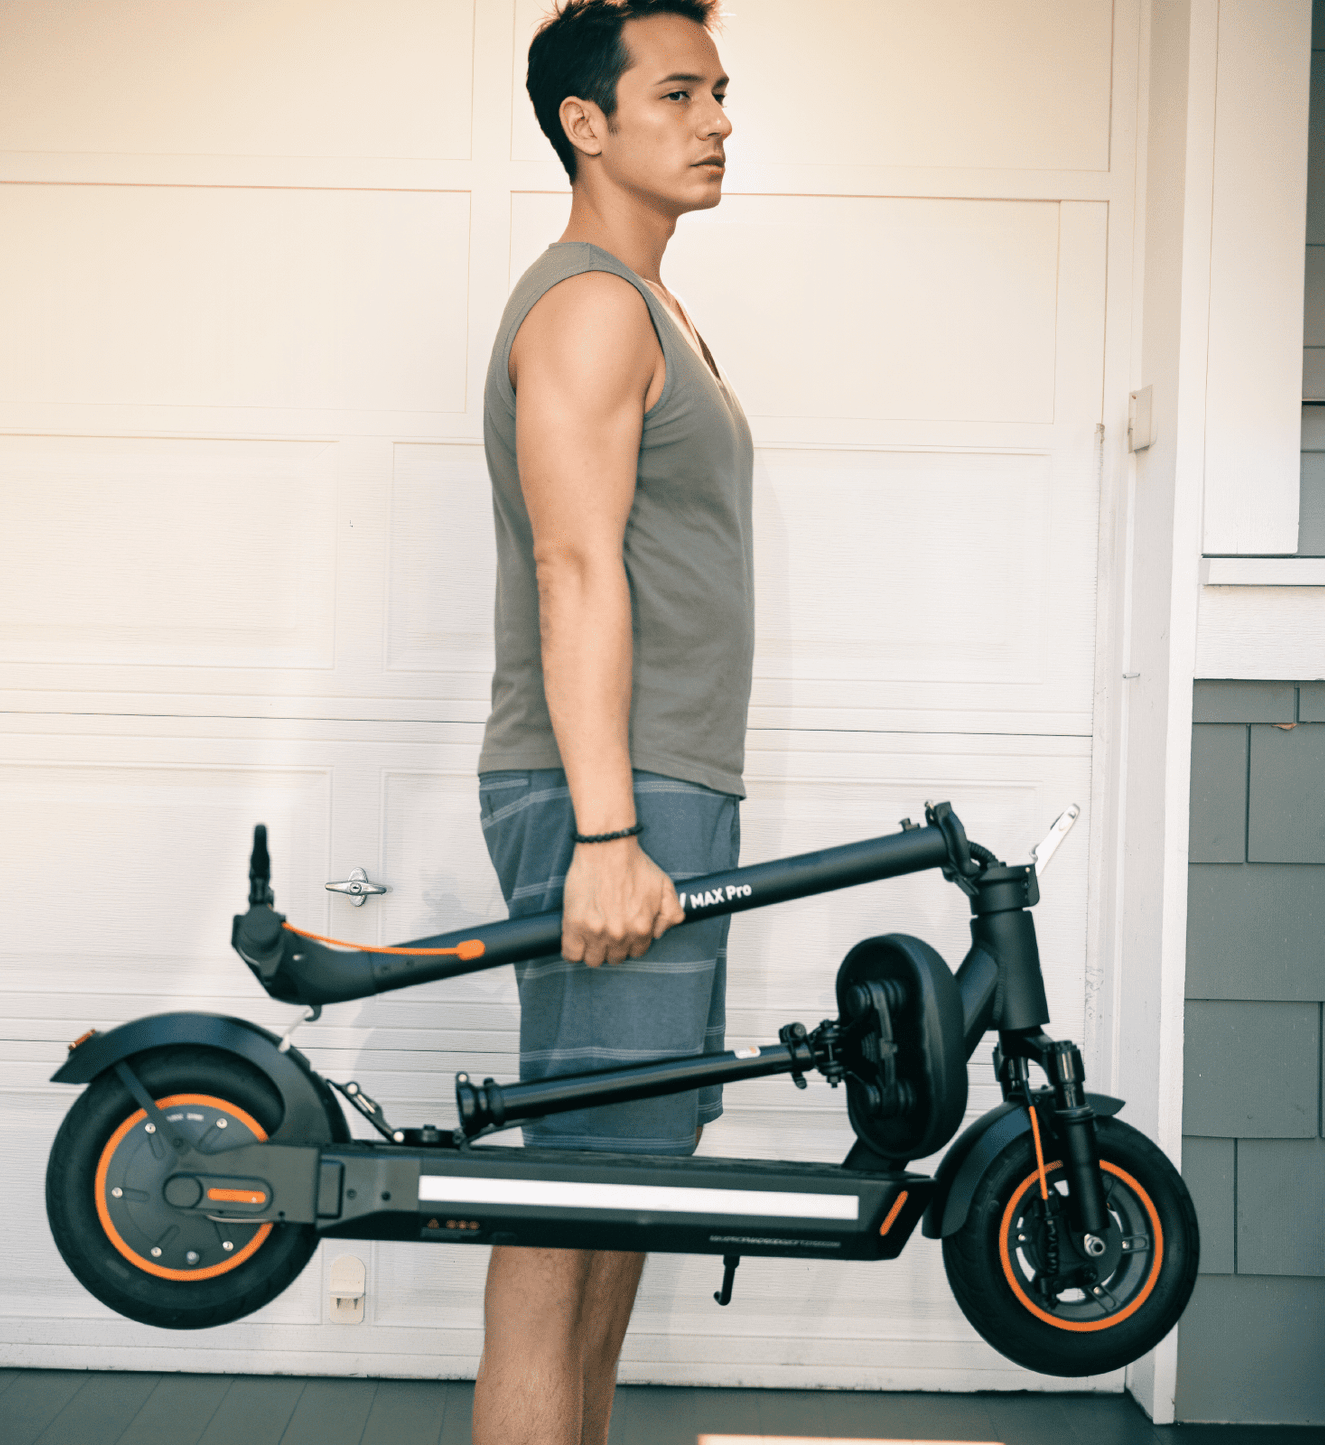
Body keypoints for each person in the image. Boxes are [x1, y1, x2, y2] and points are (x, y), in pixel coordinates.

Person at [472, 2, 751, 1441]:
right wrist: (608, 832)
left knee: (625, 1188)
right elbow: (577, 567)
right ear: (587, 122)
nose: (715, 121)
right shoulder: (588, 307)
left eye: (721, 93)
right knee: (563, 1202)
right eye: (679, 92)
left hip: (654, 787)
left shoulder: (647, 303)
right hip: (609, 794)